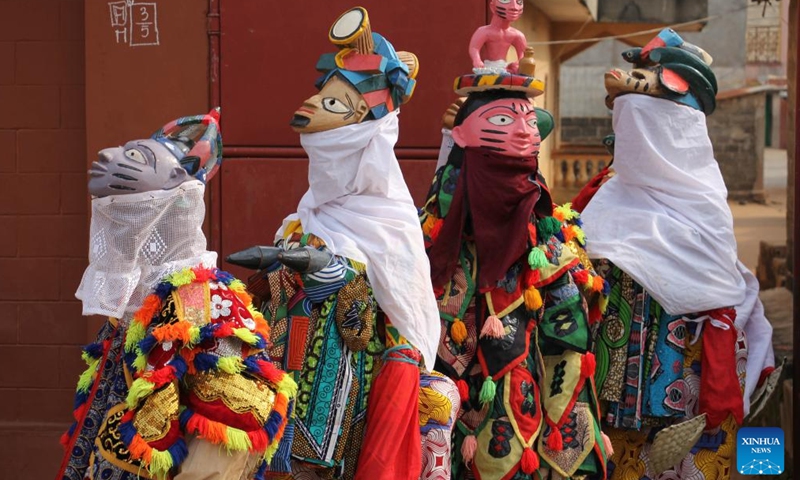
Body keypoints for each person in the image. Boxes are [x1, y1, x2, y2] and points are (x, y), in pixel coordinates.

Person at [227, 7, 455, 479]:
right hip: (277, 399)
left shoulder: (388, 221)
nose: (311, 109)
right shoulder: (305, 214)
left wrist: (338, 279)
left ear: (364, 132)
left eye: (335, 106)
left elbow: (402, 320)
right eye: (323, 98)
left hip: (347, 406)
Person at [579, 29, 780, 479]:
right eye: (628, 128)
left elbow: (719, 286)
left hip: (695, 397)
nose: (637, 140)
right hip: (613, 401)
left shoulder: (703, 201)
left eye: (646, 127)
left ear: (675, 131)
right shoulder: (601, 202)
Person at [57, 109, 296, 480]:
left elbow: (220, 447)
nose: (107, 156)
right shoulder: (140, 298)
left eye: (136, 156)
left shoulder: (209, 301)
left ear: (177, 184)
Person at [419, 32, 610, 480]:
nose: (526, 131)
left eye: (529, 119)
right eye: (505, 120)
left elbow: (569, 351)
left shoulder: (547, 236)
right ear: (464, 135)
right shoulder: (435, 233)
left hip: (532, 420)